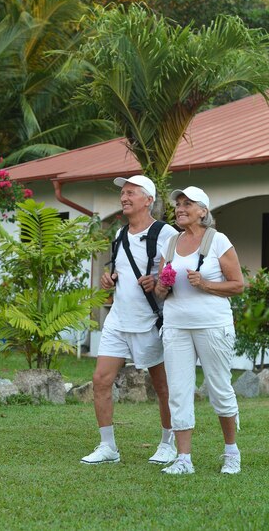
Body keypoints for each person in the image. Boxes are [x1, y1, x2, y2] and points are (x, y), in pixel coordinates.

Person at [80, 175, 178, 465]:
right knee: (100, 380)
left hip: (151, 322)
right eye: (122, 193)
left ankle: (168, 442)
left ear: (148, 199)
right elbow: (119, 272)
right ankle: (108, 447)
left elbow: (178, 273)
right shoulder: (119, 235)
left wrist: (159, 281)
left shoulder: (166, 233)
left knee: (162, 386)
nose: (124, 197)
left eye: (131, 193)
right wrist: (108, 280)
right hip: (118, 320)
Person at [155, 186, 244, 475]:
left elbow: (238, 285)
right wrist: (162, 286)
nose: (180, 208)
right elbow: (159, 291)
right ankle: (184, 459)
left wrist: (205, 284)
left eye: (187, 204)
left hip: (212, 326)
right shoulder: (169, 244)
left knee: (219, 387)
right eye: (178, 204)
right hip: (176, 326)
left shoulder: (218, 241)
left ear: (203, 210)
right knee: (179, 392)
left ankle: (231, 452)